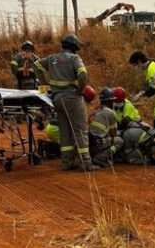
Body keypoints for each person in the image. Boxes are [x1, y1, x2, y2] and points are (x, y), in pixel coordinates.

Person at [34, 34, 98, 171]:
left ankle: (67, 162)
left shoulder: (52, 58)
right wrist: (80, 90)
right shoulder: (75, 58)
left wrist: (45, 84)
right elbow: (83, 74)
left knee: (65, 131)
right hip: (72, 98)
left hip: (57, 99)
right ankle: (85, 163)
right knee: (80, 130)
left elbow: (37, 65)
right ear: (74, 47)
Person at [88, 88, 124, 168]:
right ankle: (101, 158)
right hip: (98, 144)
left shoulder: (96, 110)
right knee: (120, 141)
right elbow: (113, 134)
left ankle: (97, 155)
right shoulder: (111, 113)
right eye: (112, 100)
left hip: (90, 144)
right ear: (109, 101)